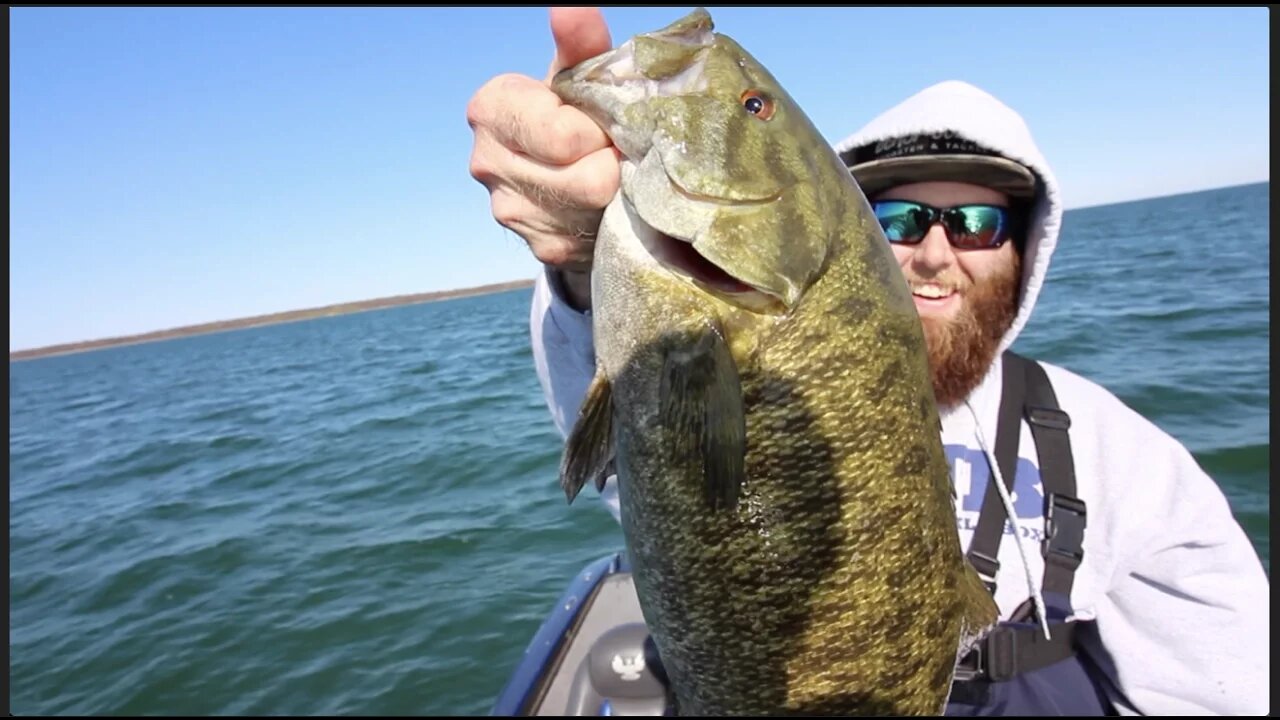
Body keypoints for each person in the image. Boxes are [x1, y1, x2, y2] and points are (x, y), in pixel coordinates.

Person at [467, 7, 1270, 716]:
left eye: (980, 222)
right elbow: (629, 407)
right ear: (850, 225)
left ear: (1027, 250)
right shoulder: (701, 333)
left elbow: (1220, 685)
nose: (933, 251)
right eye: (899, 214)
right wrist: (580, 260)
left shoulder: (1124, 457)